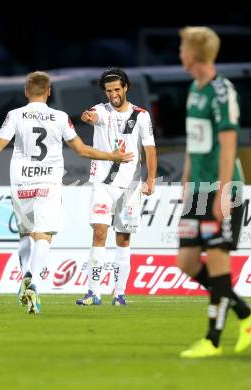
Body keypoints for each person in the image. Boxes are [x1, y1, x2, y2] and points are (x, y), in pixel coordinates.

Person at [0, 71, 133, 315]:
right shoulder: (60, 117)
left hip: (21, 183)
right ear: (48, 92)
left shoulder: (14, 115)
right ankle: (33, 280)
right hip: (48, 183)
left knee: (25, 233)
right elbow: (81, 150)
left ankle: (25, 273)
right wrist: (112, 156)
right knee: (43, 235)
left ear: (26, 91)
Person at [177, 26, 251, 357]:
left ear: (195, 53)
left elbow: (229, 143)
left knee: (217, 261)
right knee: (185, 262)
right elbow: (194, 140)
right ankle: (247, 313)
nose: (179, 52)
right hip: (197, 189)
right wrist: (186, 180)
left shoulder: (221, 91)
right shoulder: (193, 89)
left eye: (183, 47)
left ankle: (212, 340)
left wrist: (224, 192)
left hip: (220, 188)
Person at [76, 68, 157, 306]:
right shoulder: (100, 111)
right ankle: (93, 292)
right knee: (99, 232)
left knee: (123, 239)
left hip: (130, 185)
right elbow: (90, 116)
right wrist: (87, 118)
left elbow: (150, 149)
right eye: (109, 90)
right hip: (102, 183)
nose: (113, 94)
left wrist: (150, 180)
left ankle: (119, 293)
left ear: (126, 88)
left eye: (117, 90)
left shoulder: (141, 116)